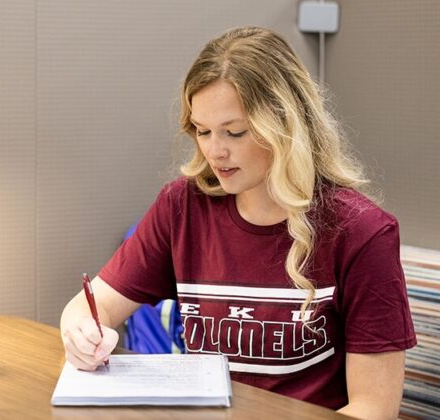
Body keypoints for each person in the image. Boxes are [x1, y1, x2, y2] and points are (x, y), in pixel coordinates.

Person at [60, 26, 416, 419]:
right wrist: (81, 332)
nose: (215, 151)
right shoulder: (183, 207)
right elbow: (93, 306)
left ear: (286, 126)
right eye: (202, 131)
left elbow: (375, 409)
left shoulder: (361, 232)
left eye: (234, 132)